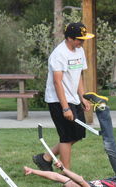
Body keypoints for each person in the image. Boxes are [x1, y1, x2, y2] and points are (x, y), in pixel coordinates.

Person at [32, 22, 94, 171]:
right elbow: (57, 82)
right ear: (70, 38)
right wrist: (65, 107)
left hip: (73, 98)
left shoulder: (79, 50)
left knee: (78, 134)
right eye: (80, 39)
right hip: (58, 100)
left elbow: (78, 74)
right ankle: (67, 175)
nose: (82, 42)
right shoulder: (59, 54)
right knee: (66, 137)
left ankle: (45, 158)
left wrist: (82, 97)